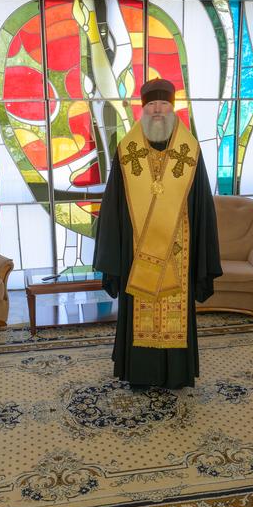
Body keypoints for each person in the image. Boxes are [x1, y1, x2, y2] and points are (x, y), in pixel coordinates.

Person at [92, 78, 221, 389]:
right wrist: (114, 252)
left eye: (164, 104)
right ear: (143, 109)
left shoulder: (189, 151)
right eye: (152, 105)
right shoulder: (128, 151)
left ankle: (175, 375)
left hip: (181, 248)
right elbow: (114, 205)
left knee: (176, 309)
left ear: (172, 108)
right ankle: (139, 373)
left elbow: (202, 201)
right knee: (139, 307)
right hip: (136, 251)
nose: (158, 110)